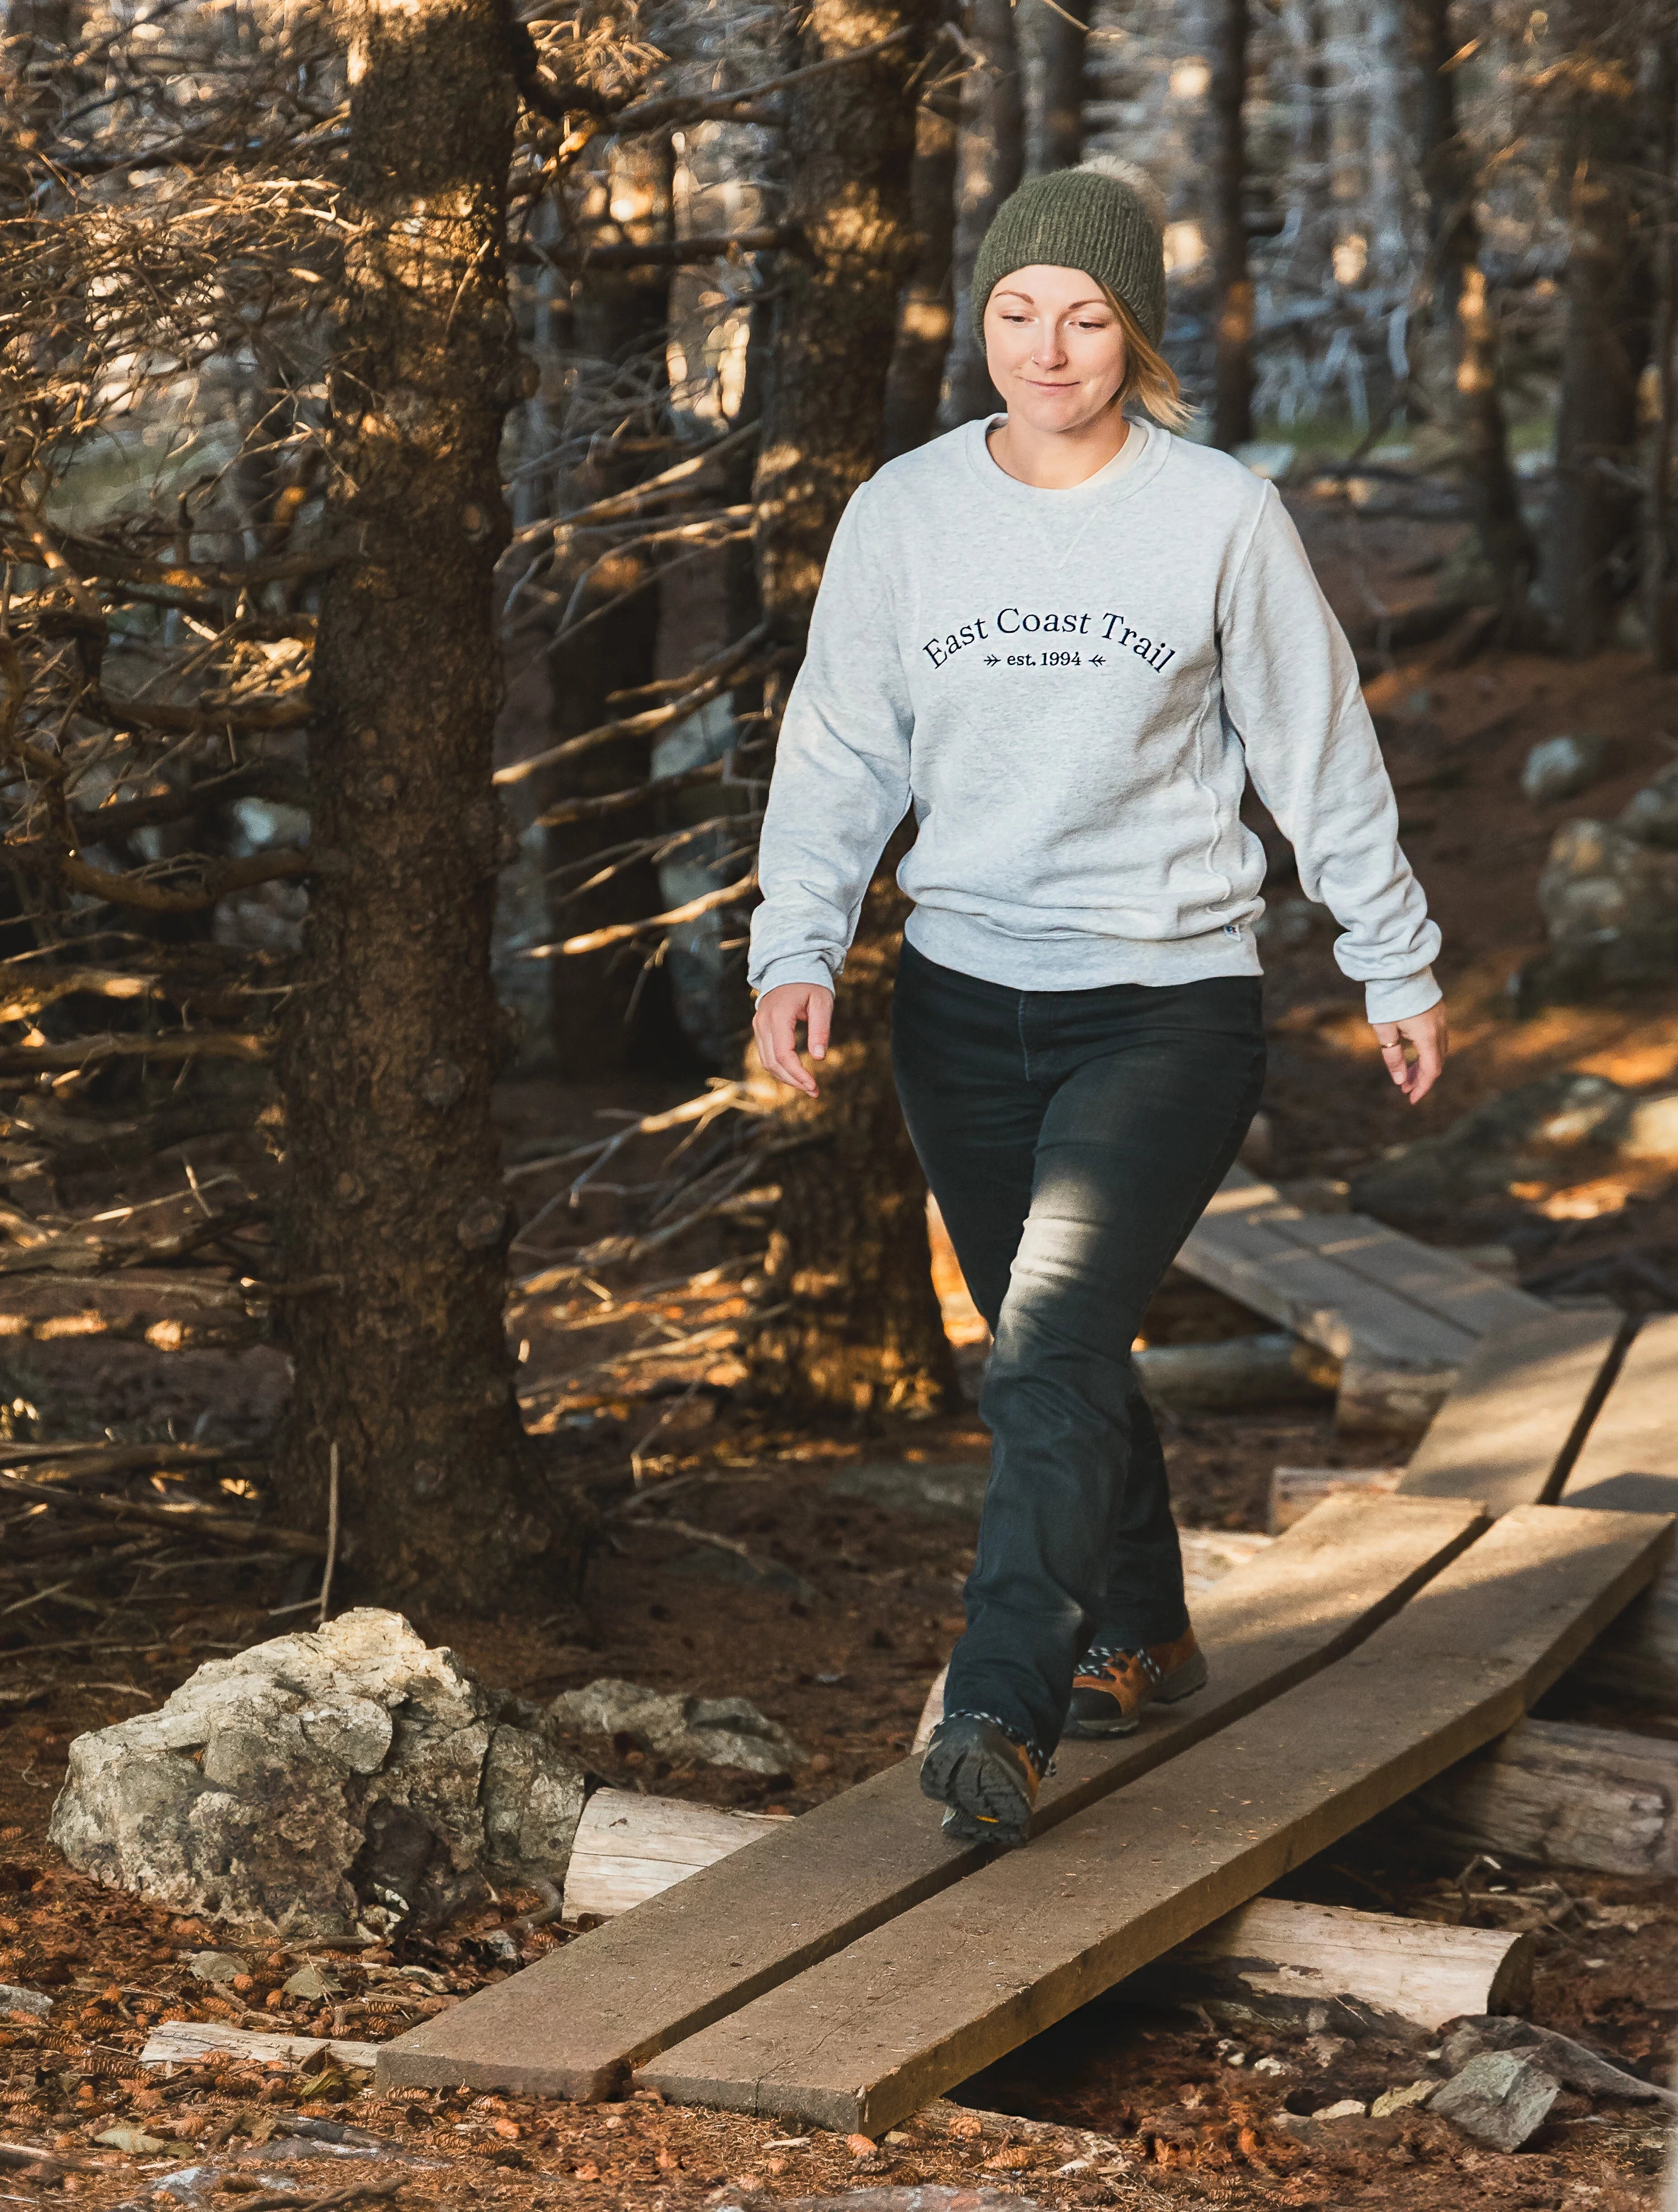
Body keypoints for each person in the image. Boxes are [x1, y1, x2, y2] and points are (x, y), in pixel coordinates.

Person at [745, 159, 1447, 1850]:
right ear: (983, 320)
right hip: (961, 1002)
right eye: (1016, 313)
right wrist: (796, 940)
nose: (1047, 350)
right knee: (1055, 1353)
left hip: (1168, 1001)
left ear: (1135, 336)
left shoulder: (1218, 513)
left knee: (1050, 1341)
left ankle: (1000, 1701)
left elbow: (1315, 748)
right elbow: (841, 746)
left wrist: (1394, 955)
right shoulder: (907, 512)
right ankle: (1148, 1624)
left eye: (1085, 318)